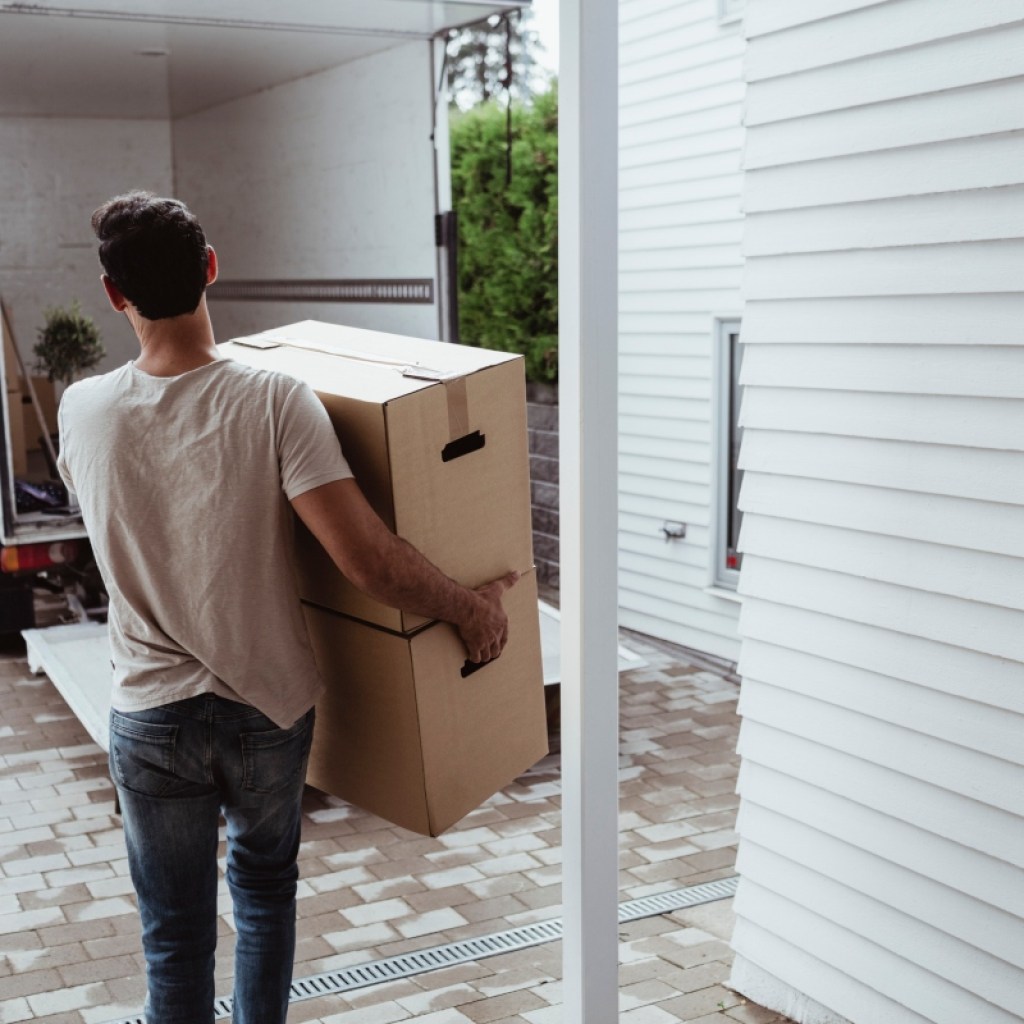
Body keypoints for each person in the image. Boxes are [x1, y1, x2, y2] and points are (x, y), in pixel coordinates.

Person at [57, 190, 517, 1024]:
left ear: (112, 293)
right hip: (263, 711)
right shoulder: (274, 400)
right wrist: (473, 610)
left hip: (149, 715)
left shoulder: (82, 409)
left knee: (173, 938)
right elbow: (368, 560)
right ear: (211, 268)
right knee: (264, 897)